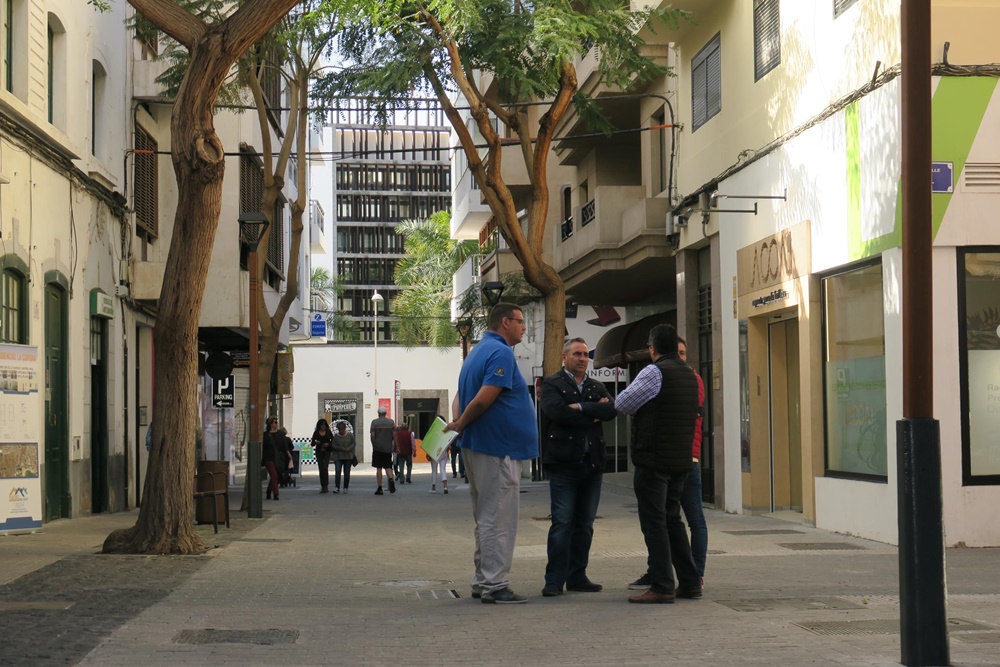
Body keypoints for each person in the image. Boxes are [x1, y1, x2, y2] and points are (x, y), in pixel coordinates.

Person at [445, 302, 537, 604]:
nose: (524, 327)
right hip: (498, 447)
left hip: (479, 446)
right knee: (499, 518)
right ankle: (494, 584)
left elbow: (460, 396)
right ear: (505, 322)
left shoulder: (476, 353)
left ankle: (482, 579)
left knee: (487, 516)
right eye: (520, 321)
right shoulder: (500, 352)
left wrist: (459, 422)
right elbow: (484, 399)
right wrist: (461, 424)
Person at [615, 323, 701, 604]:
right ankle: (690, 582)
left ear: (652, 349)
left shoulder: (654, 372)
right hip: (680, 460)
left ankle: (662, 585)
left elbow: (623, 403)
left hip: (653, 459)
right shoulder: (690, 375)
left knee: (654, 523)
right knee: (673, 520)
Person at [539, 337, 617, 597]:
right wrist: (592, 415)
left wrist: (581, 406)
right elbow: (556, 412)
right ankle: (554, 580)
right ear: (565, 357)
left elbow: (612, 410)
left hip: (592, 463)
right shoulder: (552, 384)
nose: (583, 359)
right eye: (577, 354)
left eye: (585, 354)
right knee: (562, 522)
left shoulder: (596, 386)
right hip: (563, 463)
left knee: (585, 524)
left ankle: (577, 576)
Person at [677, 336, 708, 585]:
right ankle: (657, 570)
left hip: (689, 457)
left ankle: (697, 572)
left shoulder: (692, 378)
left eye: (683, 353)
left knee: (695, 518)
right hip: (672, 457)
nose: (680, 357)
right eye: (676, 352)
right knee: (663, 520)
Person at [370, 406, 396, 495]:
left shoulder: (374, 422)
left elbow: (372, 435)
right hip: (387, 448)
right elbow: (394, 435)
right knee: (388, 466)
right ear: (385, 413)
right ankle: (391, 479)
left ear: (378, 413)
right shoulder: (391, 422)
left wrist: (374, 444)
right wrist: (397, 446)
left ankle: (380, 488)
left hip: (378, 448)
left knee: (379, 468)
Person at [260, 416, 283, 501]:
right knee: (274, 475)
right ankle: (276, 494)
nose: (276, 424)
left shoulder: (279, 434)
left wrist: (288, 454)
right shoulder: (266, 435)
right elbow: (263, 447)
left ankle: (269, 491)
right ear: (270, 424)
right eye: (275, 422)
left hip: (277, 457)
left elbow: (284, 444)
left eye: (277, 422)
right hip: (268, 458)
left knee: (275, 476)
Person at [330, 420, 356, 494]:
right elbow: (333, 445)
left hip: (348, 456)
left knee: (347, 472)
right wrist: (341, 448)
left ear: (345, 428)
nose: (341, 431)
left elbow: (354, 443)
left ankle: (345, 487)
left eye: (342, 429)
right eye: (339, 429)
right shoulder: (336, 437)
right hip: (338, 456)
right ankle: (337, 487)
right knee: (338, 471)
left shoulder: (350, 435)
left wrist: (349, 448)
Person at [311, 419, 334, 493]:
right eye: (322, 425)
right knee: (321, 469)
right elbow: (312, 443)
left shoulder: (328, 432)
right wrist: (316, 442)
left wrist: (328, 444)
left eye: (324, 424)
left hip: (327, 452)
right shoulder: (316, 433)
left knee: (325, 467)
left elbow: (333, 440)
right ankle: (323, 486)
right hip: (319, 452)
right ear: (319, 426)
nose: (323, 426)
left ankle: (326, 485)